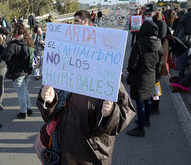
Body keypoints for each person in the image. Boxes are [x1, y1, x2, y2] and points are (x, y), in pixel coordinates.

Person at [36, 10, 136, 165]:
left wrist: (110, 113)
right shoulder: (60, 72)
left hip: (92, 156)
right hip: (60, 152)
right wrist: (48, 101)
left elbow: (127, 110)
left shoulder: (107, 74)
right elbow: (47, 114)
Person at [126, 20, 163, 137]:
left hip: (140, 77)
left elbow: (132, 64)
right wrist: (157, 78)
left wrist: (130, 72)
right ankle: (146, 120)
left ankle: (140, 129)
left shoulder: (139, 44)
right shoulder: (159, 44)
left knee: (140, 103)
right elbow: (159, 64)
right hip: (152, 76)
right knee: (148, 100)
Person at [2, 23, 34, 119]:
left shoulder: (13, 44)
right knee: (25, 90)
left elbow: (5, 56)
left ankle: (23, 112)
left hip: (17, 71)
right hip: (27, 70)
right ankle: (29, 108)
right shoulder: (28, 41)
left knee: (21, 93)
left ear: (15, 31)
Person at [175, 1, 191, 78]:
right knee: (184, 59)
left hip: (181, 40)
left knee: (182, 58)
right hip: (186, 41)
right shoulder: (190, 17)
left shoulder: (186, 15)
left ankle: (180, 75)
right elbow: (189, 31)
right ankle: (181, 76)